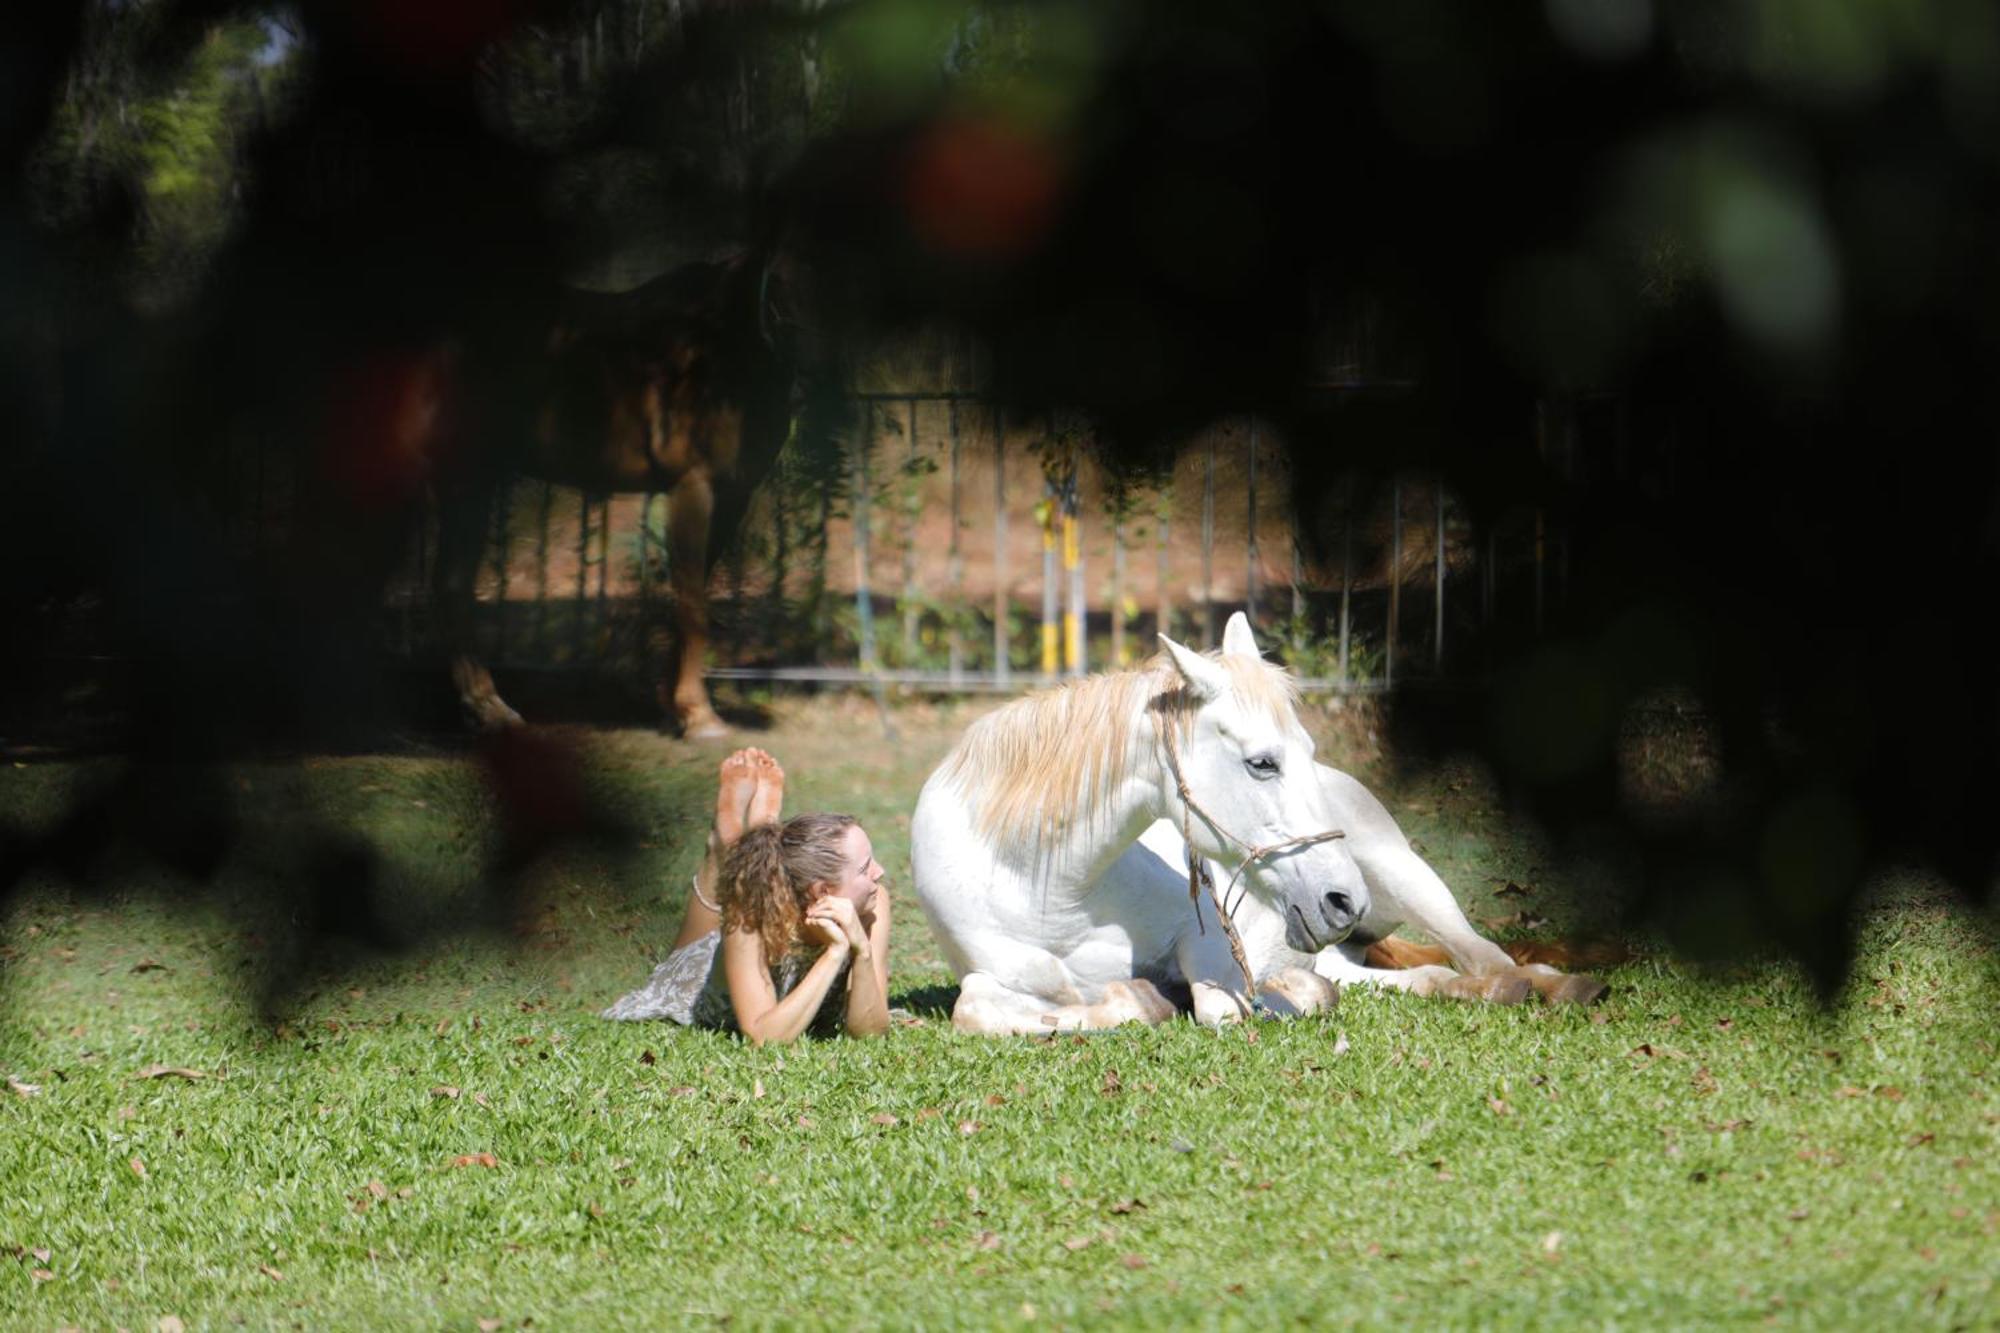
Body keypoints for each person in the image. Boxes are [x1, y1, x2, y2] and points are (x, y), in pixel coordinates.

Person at [602, 748, 892, 1044]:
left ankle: (750, 839)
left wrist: (862, 953)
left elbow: (870, 1032)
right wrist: (834, 953)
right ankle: (722, 848)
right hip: (703, 981)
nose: (879, 873)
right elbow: (764, 1038)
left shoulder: (874, 902)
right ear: (822, 891)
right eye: (865, 868)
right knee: (690, 948)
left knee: (746, 884)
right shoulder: (750, 917)